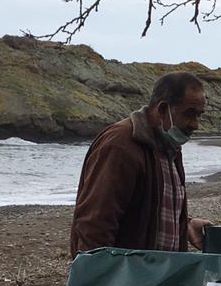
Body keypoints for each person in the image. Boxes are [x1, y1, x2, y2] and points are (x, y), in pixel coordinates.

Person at [69, 73, 213, 256]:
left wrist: (185, 224)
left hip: (158, 276)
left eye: (199, 115)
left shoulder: (170, 145)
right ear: (162, 109)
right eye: (189, 114)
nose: (196, 124)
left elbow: (149, 207)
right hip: (130, 279)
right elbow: (94, 225)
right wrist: (102, 278)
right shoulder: (120, 145)